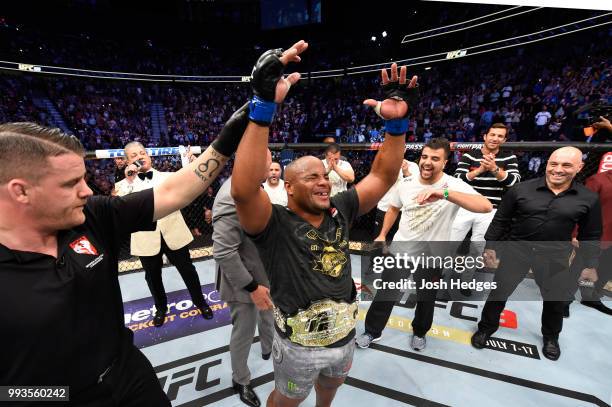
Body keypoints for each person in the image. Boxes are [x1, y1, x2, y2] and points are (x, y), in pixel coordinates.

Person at [0, 93, 250, 404]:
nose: (86, 190)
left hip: (129, 373)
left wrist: (231, 134)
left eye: (84, 178)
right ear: (20, 191)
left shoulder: (90, 213)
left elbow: (174, 192)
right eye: (70, 184)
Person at [231, 42, 418, 406]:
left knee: (329, 392)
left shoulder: (340, 206)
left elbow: (383, 173)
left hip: (344, 336)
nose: (321, 181)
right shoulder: (273, 222)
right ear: (288, 187)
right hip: (299, 346)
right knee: (285, 401)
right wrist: (263, 107)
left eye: (323, 174)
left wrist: (397, 126)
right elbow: (243, 190)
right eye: (310, 177)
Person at [356, 138, 492, 352]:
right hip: (402, 249)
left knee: (426, 297)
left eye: (435, 159)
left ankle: (420, 332)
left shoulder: (452, 185)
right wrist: (382, 233)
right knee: (387, 292)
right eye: (425, 157)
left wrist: (443, 194)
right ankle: (372, 331)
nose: (428, 162)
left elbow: (485, 206)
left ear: (445, 163)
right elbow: (393, 208)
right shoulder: (406, 183)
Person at [471, 147, 602, 361]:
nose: (558, 169)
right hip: (517, 251)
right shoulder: (521, 190)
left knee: (554, 299)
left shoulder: (588, 198)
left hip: (555, 256)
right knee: (499, 292)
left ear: (579, 168)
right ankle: (486, 327)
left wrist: (590, 264)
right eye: (553, 164)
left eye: (566, 165)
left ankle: (551, 337)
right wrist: (490, 248)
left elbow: (591, 234)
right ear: (547, 164)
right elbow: (500, 221)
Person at [114, 142, 213, 327]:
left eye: (142, 153)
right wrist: (129, 179)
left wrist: (191, 163)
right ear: (127, 161)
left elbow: (191, 181)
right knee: (152, 277)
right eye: (134, 155)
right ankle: (160, 309)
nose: (139, 157)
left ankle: (201, 303)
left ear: (149, 156)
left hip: (173, 232)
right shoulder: (122, 185)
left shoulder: (168, 177)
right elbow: (121, 207)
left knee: (188, 271)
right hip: (145, 238)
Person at [213, 154, 275, 407]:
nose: (270, 166)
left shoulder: (251, 187)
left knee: (269, 317)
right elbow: (224, 252)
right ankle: (240, 379)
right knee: (244, 332)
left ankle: (268, 349)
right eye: (265, 161)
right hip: (241, 282)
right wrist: (251, 286)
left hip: (262, 272)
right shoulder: (232, 194)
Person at [448, 123, 521, 294]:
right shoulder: (470, 156)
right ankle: (438, 276)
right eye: (492, 134)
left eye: (500, 136)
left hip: (490, 210)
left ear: (504, 139)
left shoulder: (509, 158)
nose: (495, 138)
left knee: (477, 249)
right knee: (449, 243)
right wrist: (479, 170)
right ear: (485, 136)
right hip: (465, 207)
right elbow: (457, 180)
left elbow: (514, 183)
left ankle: (465, 281)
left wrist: (495, 169)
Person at [568, 167, 612, 315]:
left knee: (605, 268)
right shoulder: (598, 180)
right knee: (579, 268)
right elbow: (582, 207)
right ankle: (563, 300)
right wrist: (575, 233)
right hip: (594, 234)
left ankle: (591, 296)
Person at [373, 159, 418, 241]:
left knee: (398, 242)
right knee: (379, 241)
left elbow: (415, 187)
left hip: (402, 210)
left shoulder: (413, 166)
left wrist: (406, 173)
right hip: (384, 207)